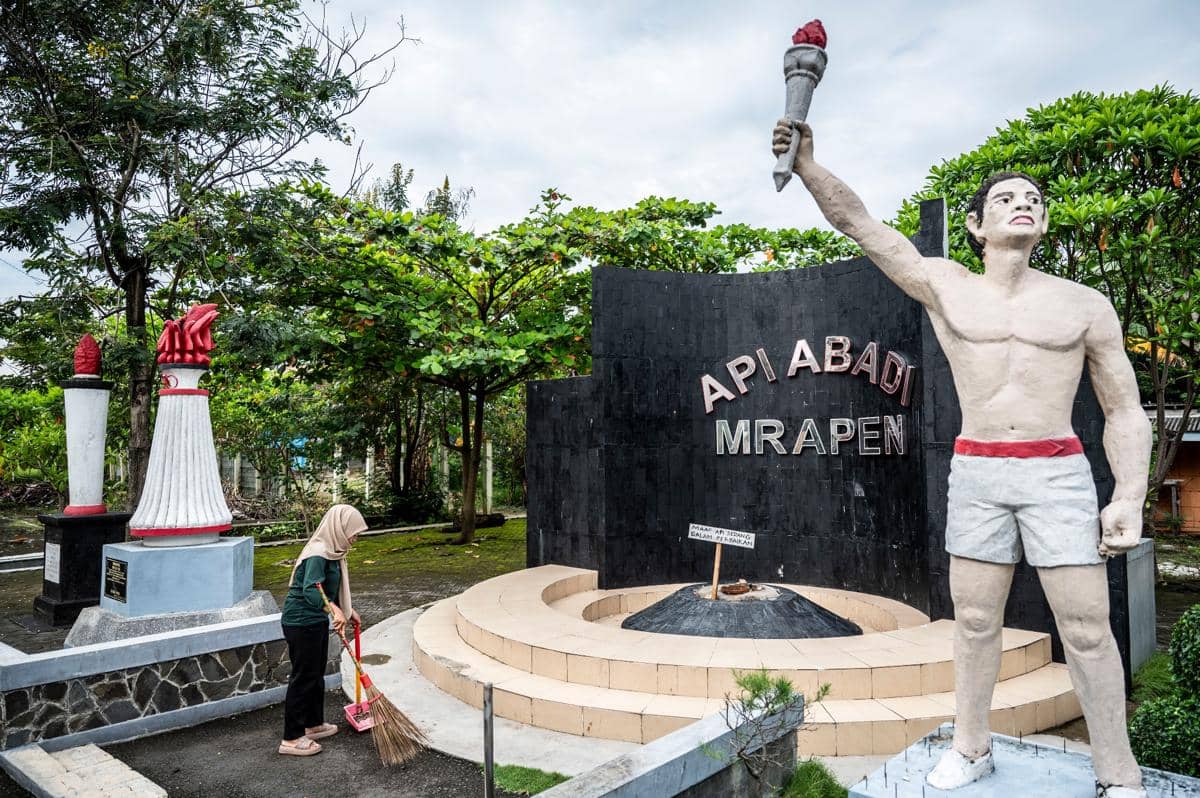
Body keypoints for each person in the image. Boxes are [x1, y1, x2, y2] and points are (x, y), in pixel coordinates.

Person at [772, 120, 1150, 798]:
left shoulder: (1083, 305)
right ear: (976, 224)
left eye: (1033, 197)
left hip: (1057, 471)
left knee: (1088, 628)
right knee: (975, 621)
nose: (1023, 203)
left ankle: (1117, 775)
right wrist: (806, 165)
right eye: (1006, 198)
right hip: (978, 468)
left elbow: (1124, 410)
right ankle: (971, 748)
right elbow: (861, 224)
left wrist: (1128, 495)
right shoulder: (945, 284)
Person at [277, 504, 367, 756]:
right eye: (354, 532)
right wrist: (334, 611)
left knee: (315, 674)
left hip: (314, 619)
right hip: (300, 621)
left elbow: (325, 591)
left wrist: (347, 611)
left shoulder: (334, 552)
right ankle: (291, 738)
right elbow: (311, 588)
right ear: (340, 528)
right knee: (304, 676)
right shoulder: (318, 553)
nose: (355, 538)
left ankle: (313, 724)